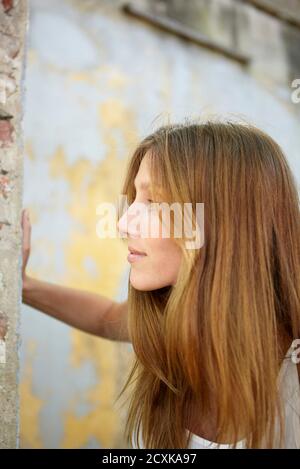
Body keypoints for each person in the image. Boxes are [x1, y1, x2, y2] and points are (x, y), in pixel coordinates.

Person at [22, 120, 300, 449]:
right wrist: (19, 285)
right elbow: (106, 317)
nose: (124, 223)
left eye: (154, 203)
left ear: (225, 222)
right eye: (135, 200)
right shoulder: (172, 323)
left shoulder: (291, 366)